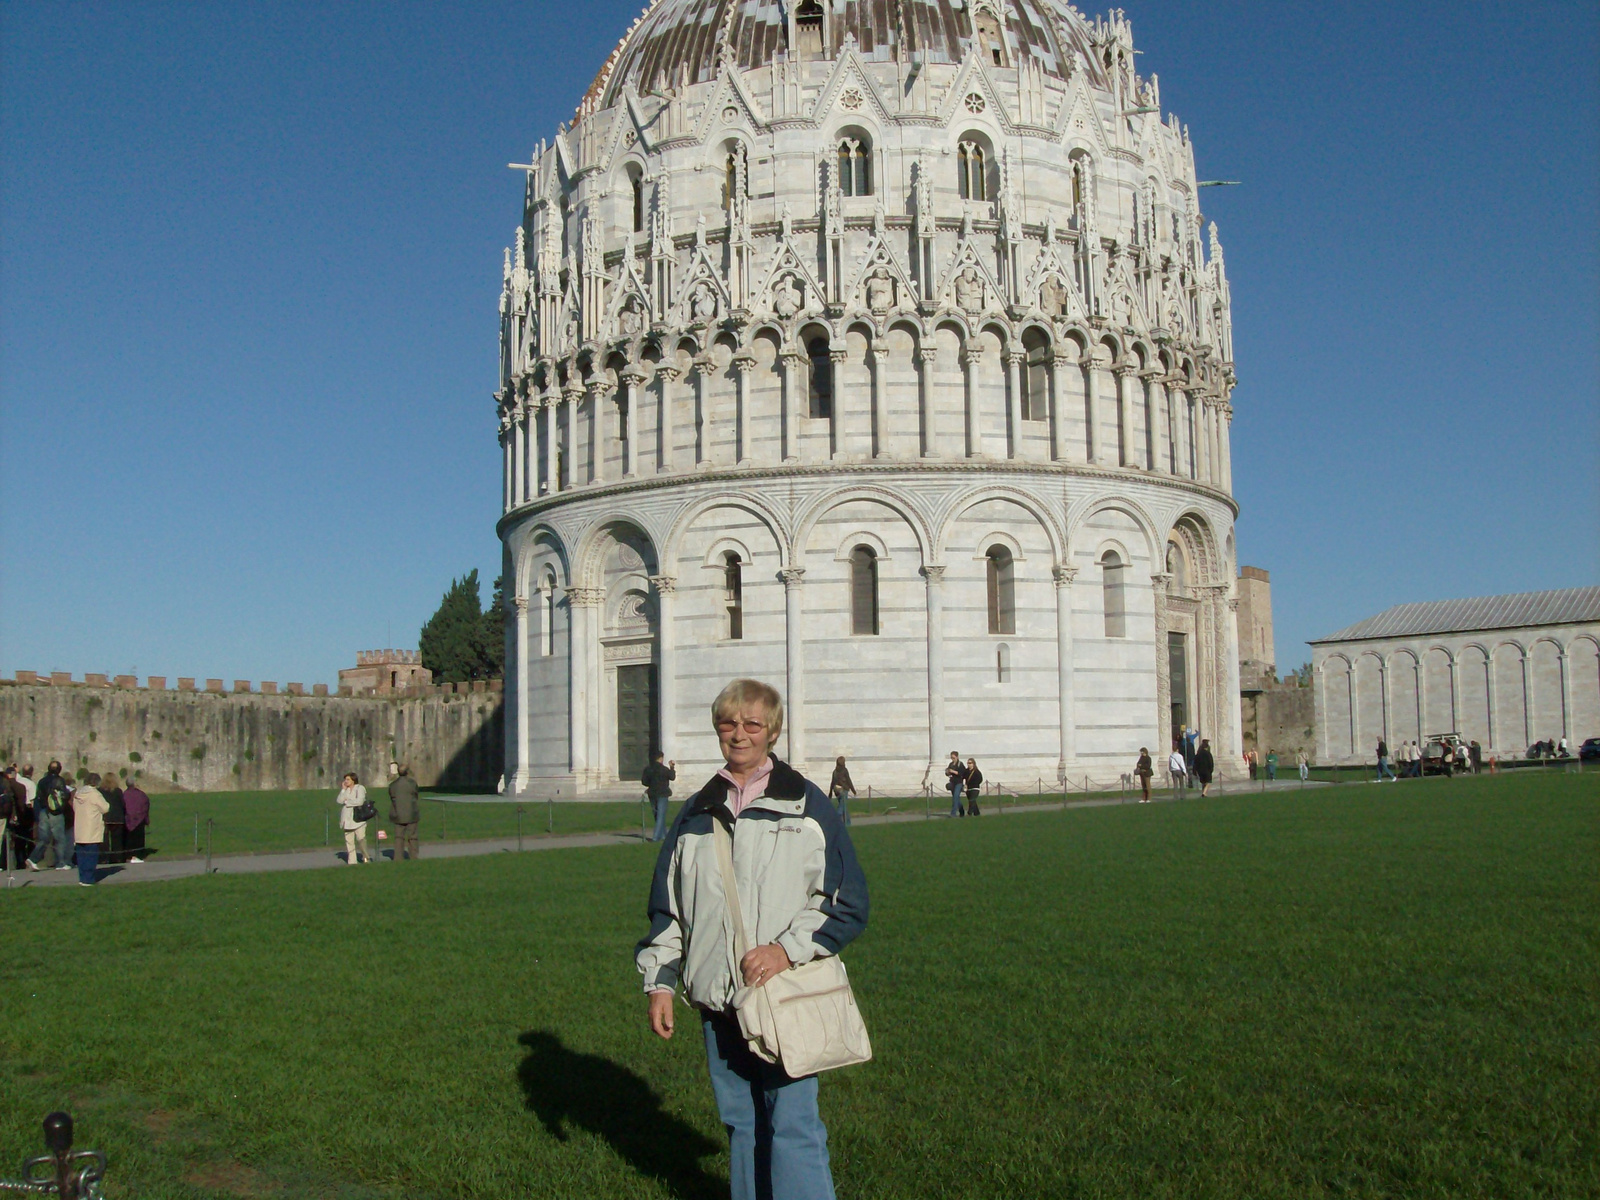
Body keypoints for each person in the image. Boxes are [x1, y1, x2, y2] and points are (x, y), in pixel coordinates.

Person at [637, 678, 868, 1200]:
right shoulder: (696, 811)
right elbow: (668, 908)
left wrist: (785, 950)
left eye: (751, 724)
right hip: (719, 1000)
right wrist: (660, 984)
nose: (738, 734)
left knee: (792, 1123)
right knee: (740, 1122)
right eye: (728, 723)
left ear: (773, 732)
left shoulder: (807, 806)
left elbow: (847, 903)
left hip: (781, 995)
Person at [26, 760, 73, 871]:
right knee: (59, 838)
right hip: (55, 812)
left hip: (44, 811)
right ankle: (61, 863)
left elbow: (38, 798)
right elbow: (63, 796)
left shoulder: (41, 781)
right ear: (59, 769)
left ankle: (33, 859)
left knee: (44, 838)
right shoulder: (59, 780)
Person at [71, 773, 110, 887]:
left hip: (79, 827)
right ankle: (88, 879)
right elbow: (105, 807)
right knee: (91, 855)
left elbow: (74, 807)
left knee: (81, 855)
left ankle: (82, 877)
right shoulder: (95, 794)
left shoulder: (78, 793)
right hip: (91, 828)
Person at [641, 751, 677, 842]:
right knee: (661, 815)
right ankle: (656, 837)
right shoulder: (664, 769)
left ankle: (664, 835)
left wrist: (651, 784)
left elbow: (644, 782)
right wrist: (672, 767)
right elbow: (672, 777)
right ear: (661, 758)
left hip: (652, 793)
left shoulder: (648, 769)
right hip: (662, 794)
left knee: (657, 815)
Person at [337, 772, 372, 864]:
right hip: (346, 819)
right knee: (349, 841)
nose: (346, 781)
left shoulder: (360, 788)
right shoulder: (346, 790)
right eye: (345, 779)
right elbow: (339, 800)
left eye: (348, 779)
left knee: (361, 839)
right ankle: (352, 861)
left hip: (358, 819)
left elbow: (360, 801)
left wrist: (347, 802)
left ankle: (366, 858)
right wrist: (343, 790)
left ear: (353, 780)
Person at [388, 764, 421, 860]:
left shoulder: (393, 785)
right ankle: (413, 856)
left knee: (398, 837)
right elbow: (416, 795)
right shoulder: (412, 783)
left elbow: (391, 796)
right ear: (407, 772)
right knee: (413, 836)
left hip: (397, 813)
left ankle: (398, 857)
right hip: (411, 813)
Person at [100, 771, 126, 866]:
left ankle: (104, 858)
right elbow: (122, 804)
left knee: (104, 840)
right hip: (117, 818)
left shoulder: (100, 791)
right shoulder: (118, 791)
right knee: (117, 840)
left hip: (106, 817)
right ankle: (117, 858)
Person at [122, 777, 150, 863]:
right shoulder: (141, 795)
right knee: (138, 838)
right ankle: (137, 855)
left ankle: (128, 855)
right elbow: (145, 806)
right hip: (138, 820)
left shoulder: (124, 795)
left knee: (128, 838)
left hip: (128, 819)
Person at [828, 756, 855, 826]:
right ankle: (835, 819)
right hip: (844, 789)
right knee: (841, 807)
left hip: (836, 790)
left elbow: (832, 782)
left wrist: (830, 792)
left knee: (844, 806)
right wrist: (853, 790)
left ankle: (848, 823)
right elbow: (848, 780)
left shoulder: (835, 771)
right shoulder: (844, 770)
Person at [945, 751, 967, 817]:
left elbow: (962, 773)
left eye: (954, 758)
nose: (952, 759)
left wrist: (953, 771)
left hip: (959, 782)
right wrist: (948, 772)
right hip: (952, 782)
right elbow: (948, 772)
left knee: (956, 796)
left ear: (957, 757)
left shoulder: (960, 764)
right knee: (956, 798)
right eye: (951, 758)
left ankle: (953, 813)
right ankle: (961, 810)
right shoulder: (951, 764)